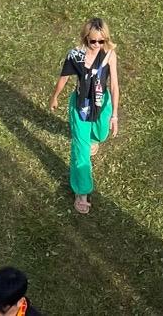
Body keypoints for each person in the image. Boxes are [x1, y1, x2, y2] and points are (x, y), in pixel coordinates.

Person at [49, 17, 120, 215]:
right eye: (93, 41)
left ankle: (92, 139)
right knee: (81, 151)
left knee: (101, 133)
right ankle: (81, 192)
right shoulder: (75, 55)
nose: (97, 45)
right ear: (85, 38)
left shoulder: (109, 54)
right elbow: (63, 78)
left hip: (101, 103)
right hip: (81, 105)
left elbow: (114, 85)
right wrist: (55, 97)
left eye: (101, 41)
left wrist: (114, 114)